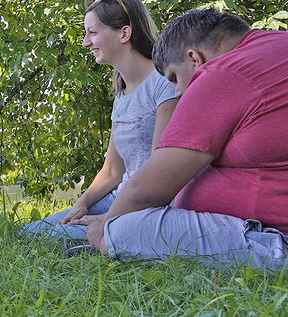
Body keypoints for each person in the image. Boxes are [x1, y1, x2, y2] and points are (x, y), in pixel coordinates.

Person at [73, 9, 288, 267]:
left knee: (122, 231)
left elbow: (147, 190)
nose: (177, 92)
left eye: (175, 77)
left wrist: (105, 227)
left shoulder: (221, 71)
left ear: (194, 58)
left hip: (274, 240)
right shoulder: (273, 47)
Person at [23, 0, 179, 242]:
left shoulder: (163, 85)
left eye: (92, 33)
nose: (86, 42)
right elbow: (112, 171)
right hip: (117, 198)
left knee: (54, 239)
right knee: (28, 233)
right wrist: (81, 205)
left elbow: (159, 176)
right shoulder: (121, 96)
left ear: (124, 33)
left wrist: (106, 218)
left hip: (146, 208)